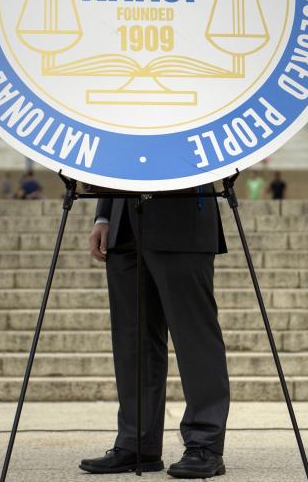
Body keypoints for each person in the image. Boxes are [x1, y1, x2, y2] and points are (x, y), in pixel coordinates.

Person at [81, 185, 229, 478]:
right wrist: (104, 216)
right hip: (123, 225)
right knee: (132, 340)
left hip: (182, 214)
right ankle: (137, 442)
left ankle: (205, 444)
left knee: (194, 338)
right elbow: (117, 149)